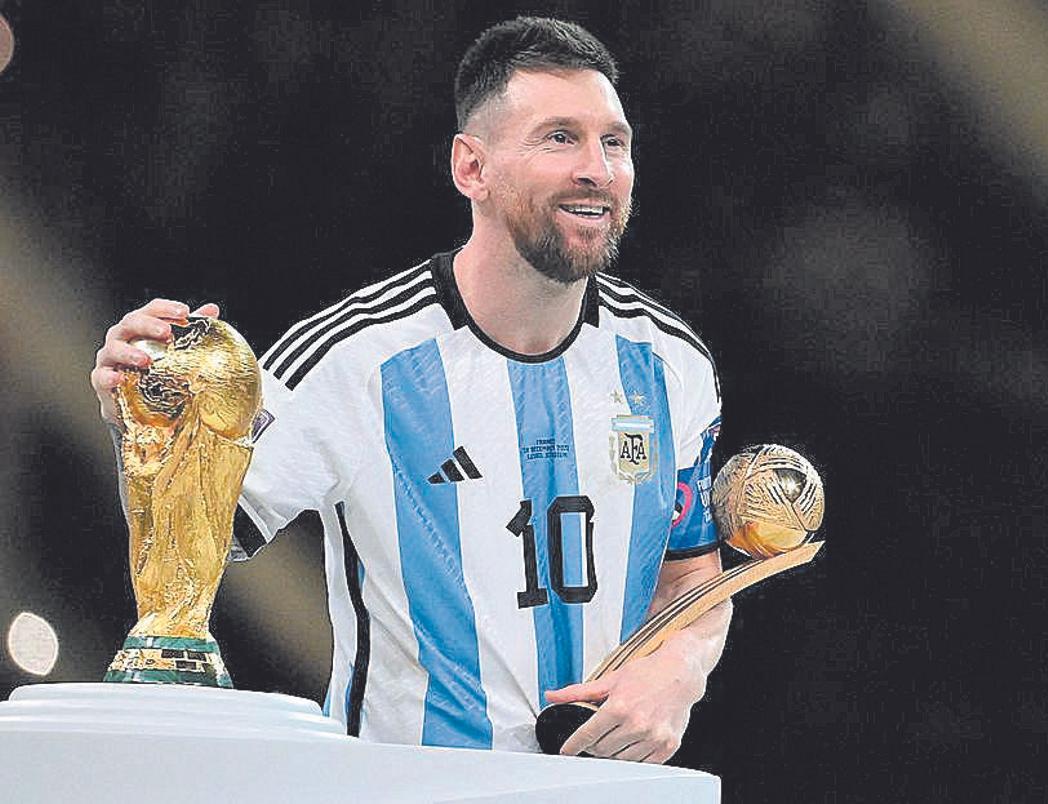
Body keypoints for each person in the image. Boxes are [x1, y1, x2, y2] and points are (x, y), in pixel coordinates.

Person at [91, 16, 728, 764]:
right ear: (472, 169)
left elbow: (690, 579)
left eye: (613, 142)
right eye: (560, 138)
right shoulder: (353, 362)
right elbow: (191, 543)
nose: (597, 169)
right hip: (403, 786)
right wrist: (146, 423)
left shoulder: (672, 365)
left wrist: (679, 672)